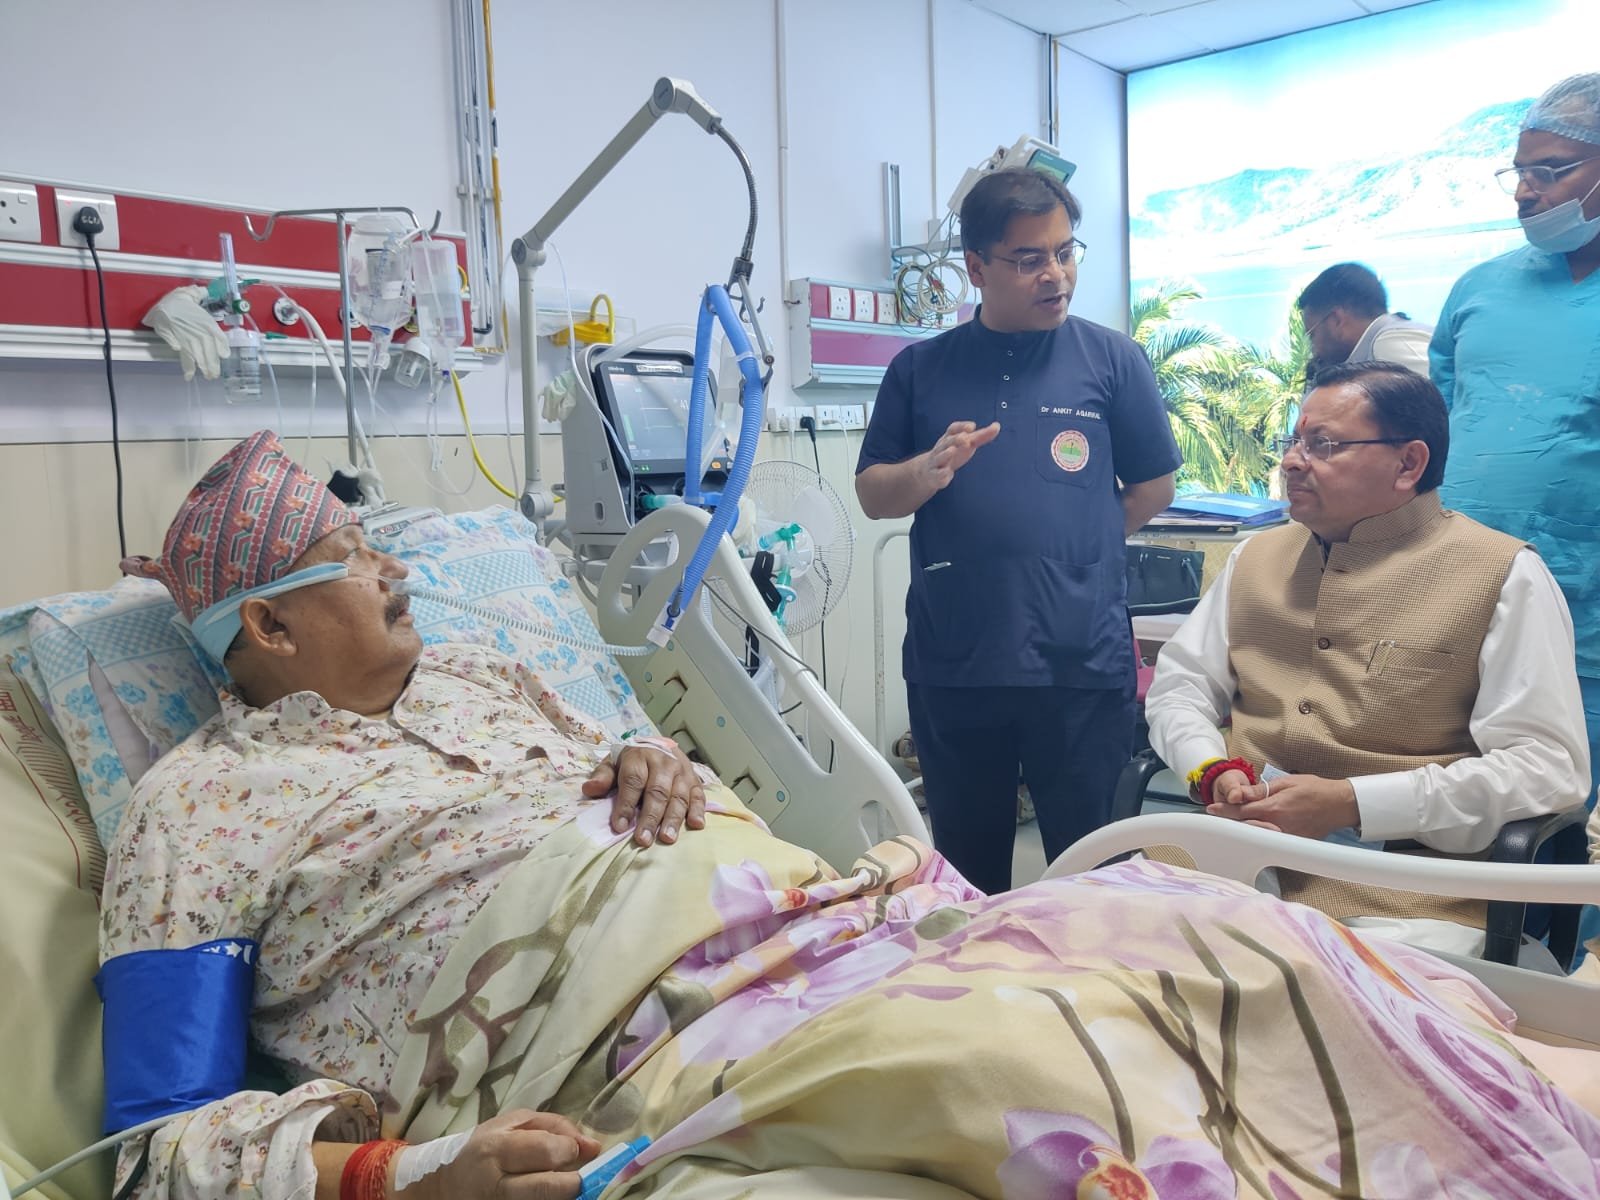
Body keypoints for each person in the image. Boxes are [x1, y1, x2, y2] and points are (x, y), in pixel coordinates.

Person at [101, 432, 1600, 1200]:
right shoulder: (202, 805)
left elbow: (645, 776)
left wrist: (654, 762)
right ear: (269, 631)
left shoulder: (499, 687)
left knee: (1219, 934)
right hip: (647, 1029)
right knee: (1024, 1062)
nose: (396, 568)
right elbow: (160, 1145)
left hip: (829, 924)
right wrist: (406, 1175)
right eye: (355, 558)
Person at [854, 167, 1181, 893]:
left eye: (1064, 252)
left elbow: (1153, 488)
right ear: (976, 268)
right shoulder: (920, 370)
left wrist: (1079, 549)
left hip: (1080, 662)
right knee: (968, 874)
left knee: (1091, 872)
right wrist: (926, 472)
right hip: (957, 661)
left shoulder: (1113, 361)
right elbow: (874, 495)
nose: (1054, 274)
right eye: (1029, 259)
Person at [1144, 363, 1588, 880]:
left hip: (1400, 881)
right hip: (1228, 854)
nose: (1291, 461)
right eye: (1294, 441)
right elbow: (1181, 686)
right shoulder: (1256, 558)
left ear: (1408, 464)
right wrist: (1211, 767)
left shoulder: (1503, 574)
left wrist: (1354, 803)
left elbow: (1547, 768)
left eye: (1323, 444)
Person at [1430, 73, 1600, 883]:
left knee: (1558, 833)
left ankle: (1549, 954)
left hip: (1584, 624)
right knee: (1439, 813)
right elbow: (1431, 435)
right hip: (1453, 605)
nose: (1526, 192)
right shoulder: (1479, 290)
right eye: (1519, 171)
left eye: (1551, 171)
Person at [1296, 262, 1433, 386]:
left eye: (1312, 335)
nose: (1314, 350)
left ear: (1337, 320)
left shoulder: (1389, 343)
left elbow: (1439, 398)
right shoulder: (1372, 349)